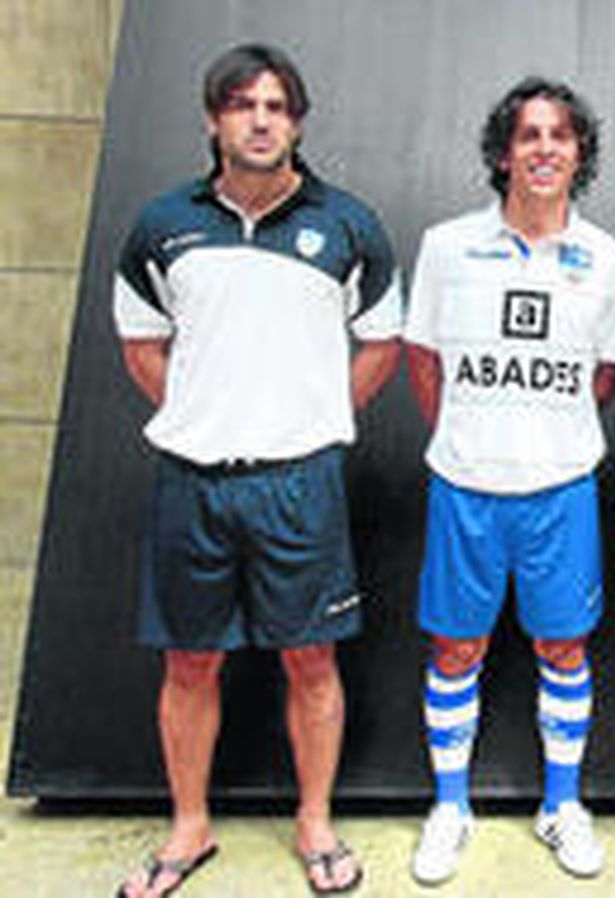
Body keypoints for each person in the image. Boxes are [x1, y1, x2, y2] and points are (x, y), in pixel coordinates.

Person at [111, 43, 399, 897]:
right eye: (243, 105)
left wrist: (314, 420)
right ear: (214, 119)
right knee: (188, 663)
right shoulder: (164, 225)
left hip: (299, 484)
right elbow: (139, 342)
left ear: (297, 121)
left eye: (276, 106)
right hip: (192, 481)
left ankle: (314, 825)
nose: (261, 119)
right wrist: (203, 412)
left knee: (310, 659)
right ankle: (189, 829)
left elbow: (383, 340)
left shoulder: (347, 224)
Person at [402, 77, 615, 885]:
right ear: (504, 152)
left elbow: (605, 376)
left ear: (579, 154)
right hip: (464, 485)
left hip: (561, 486)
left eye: (560, 136)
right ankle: (450, 806)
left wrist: (540, 433)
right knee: (455, 647)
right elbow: (423, 361)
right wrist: (472, 437)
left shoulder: (612, 262)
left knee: (563, 646)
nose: (544, 149)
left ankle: (562, 805)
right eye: (529, 135)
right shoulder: (445, 245)